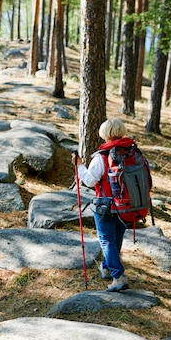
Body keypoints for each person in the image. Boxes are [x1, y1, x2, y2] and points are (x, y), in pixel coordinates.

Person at [72, 117, 135, 292]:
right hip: (127, 205)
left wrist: (79, 166)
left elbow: (90, 181)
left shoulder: (102, 156)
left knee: (107, 240)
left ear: (104, 134)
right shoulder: (131, 152)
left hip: (106, 205)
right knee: (116, 238)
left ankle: (118, 276)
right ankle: (107, 268)